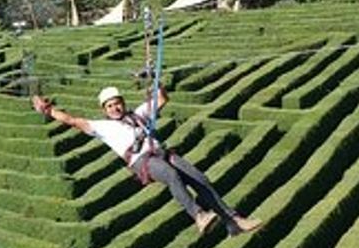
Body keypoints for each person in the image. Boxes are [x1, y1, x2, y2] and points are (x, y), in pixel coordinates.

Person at [31, 85, 262, 235]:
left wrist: (155, 84)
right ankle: (198, 216)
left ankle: (233, 221)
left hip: (162, 152)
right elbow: (71, 120)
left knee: (199, 179)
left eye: (117, 102)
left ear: (123, 102)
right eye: (110, 105)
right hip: (142, 162)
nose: (115, 107)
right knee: (171, 175)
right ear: (104, 109)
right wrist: (48, 111)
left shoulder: (138, 114)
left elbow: (162, 99)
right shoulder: (102, 127)